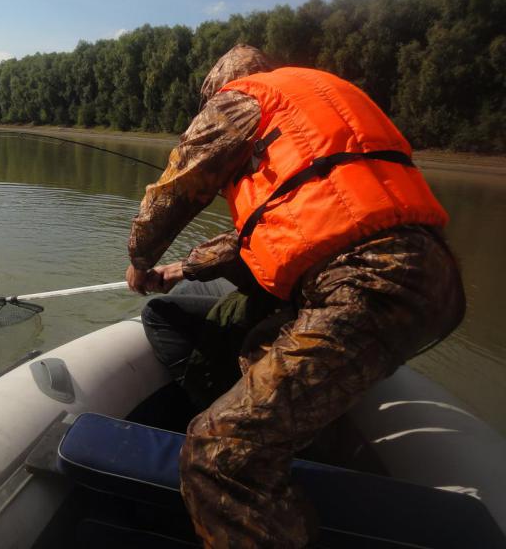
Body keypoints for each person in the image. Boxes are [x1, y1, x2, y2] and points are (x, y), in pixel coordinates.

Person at [125, 44, 466, 548]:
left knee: (215, 454)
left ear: (220, 86)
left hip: (364, 284)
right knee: (258, 346)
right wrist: (182, 268)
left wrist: (140, 259)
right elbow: (292, 229)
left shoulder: (239, 100)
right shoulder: (322, 102)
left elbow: (175, 189)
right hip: (430, 279)